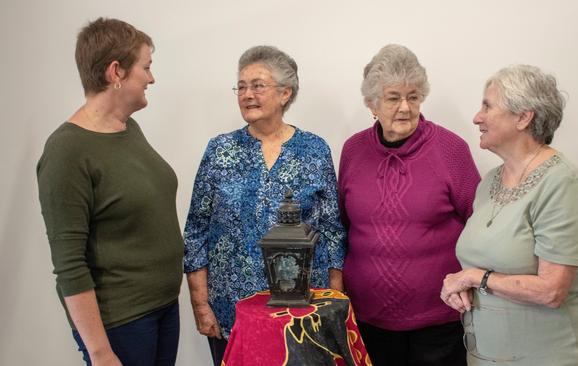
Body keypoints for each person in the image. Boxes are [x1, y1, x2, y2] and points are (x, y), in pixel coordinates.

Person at [183, 45, 346, 365]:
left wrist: (335, 302)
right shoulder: (219, 150)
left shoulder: (314, 149)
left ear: (286, 92)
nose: (247, 94)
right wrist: (201, 305)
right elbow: (196, 230)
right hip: (233, 311)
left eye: (257, 85)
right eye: (241, 87)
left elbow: (332, 232)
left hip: (301, 313)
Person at [36, 18, 183, 366]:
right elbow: (69, 264)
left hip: (162, 308)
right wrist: (100, 352)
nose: (151, 78)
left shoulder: (127, 129)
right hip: (123, 322)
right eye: (145, 67)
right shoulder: (66, 151)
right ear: (115, 72)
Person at [440, 64, 578, 365]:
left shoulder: (560, 182)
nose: (477, 117)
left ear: (523, 116)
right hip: (487, 353)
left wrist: (477, 277)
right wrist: (458, 284)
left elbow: (552, 290)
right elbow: (481, 261)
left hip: (552, 354)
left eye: (487, 106)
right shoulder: (490, 181)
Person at [338, 44, 480, 366]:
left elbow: (480, 224)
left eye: (413, 97)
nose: (405, 107)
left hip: (437, 320)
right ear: (371, 103)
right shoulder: (352, 150)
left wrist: (470, 281)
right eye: (393, 97)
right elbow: (345, 224)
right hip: (367, 318)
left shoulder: (451, 149)